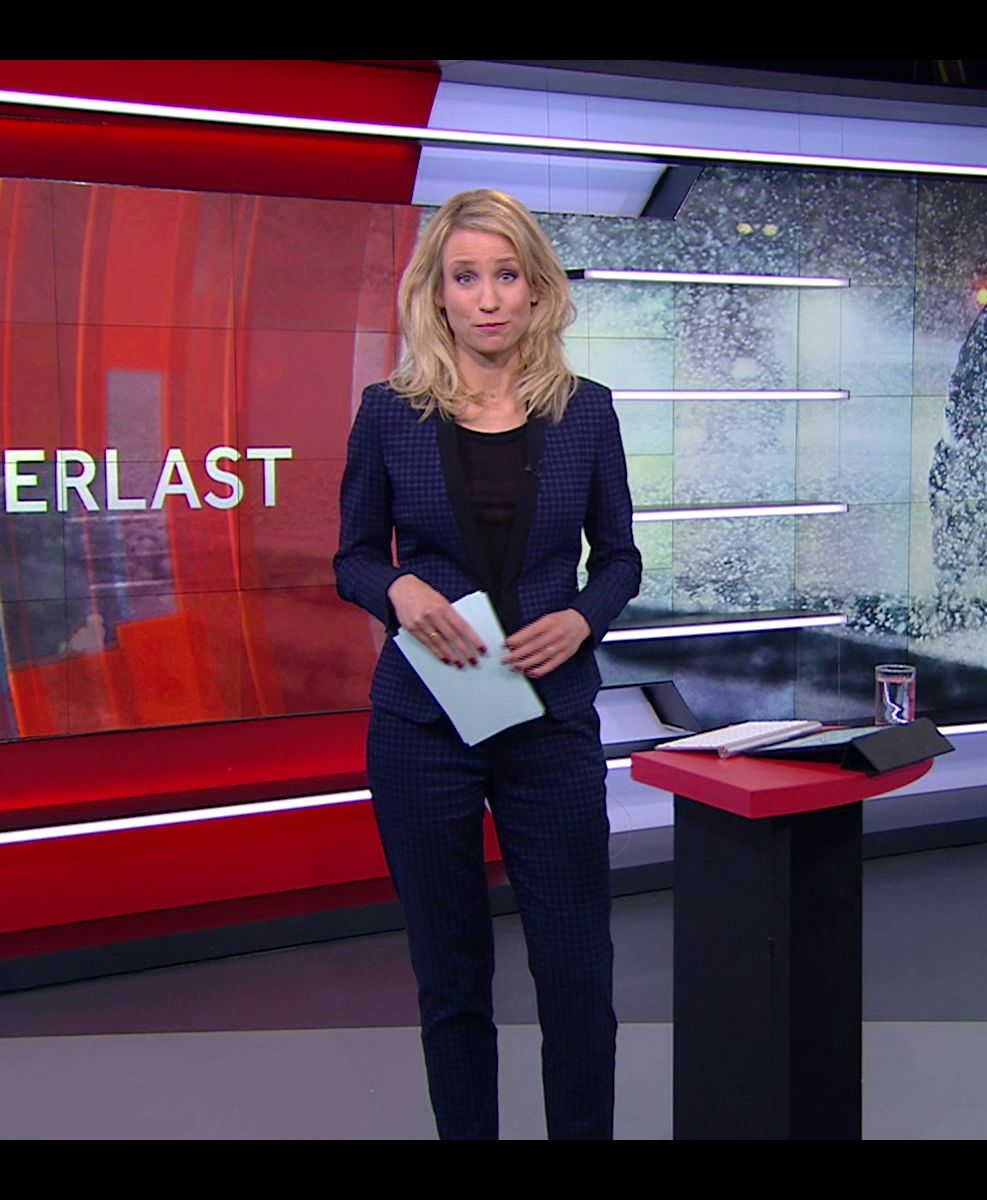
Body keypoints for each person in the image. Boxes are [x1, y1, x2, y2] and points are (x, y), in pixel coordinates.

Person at [332, 188, 642, 1140]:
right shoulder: (389, 414)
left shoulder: (586, 412)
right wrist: (397, 590)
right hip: (424, 726)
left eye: (506, 275)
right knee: (452, 976)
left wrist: (582, 619)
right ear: (436, 292)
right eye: (466, 277)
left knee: (578, 973)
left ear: (538, 288)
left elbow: (620, 560)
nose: (488, 297)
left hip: (551, 724)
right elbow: (352, 557)